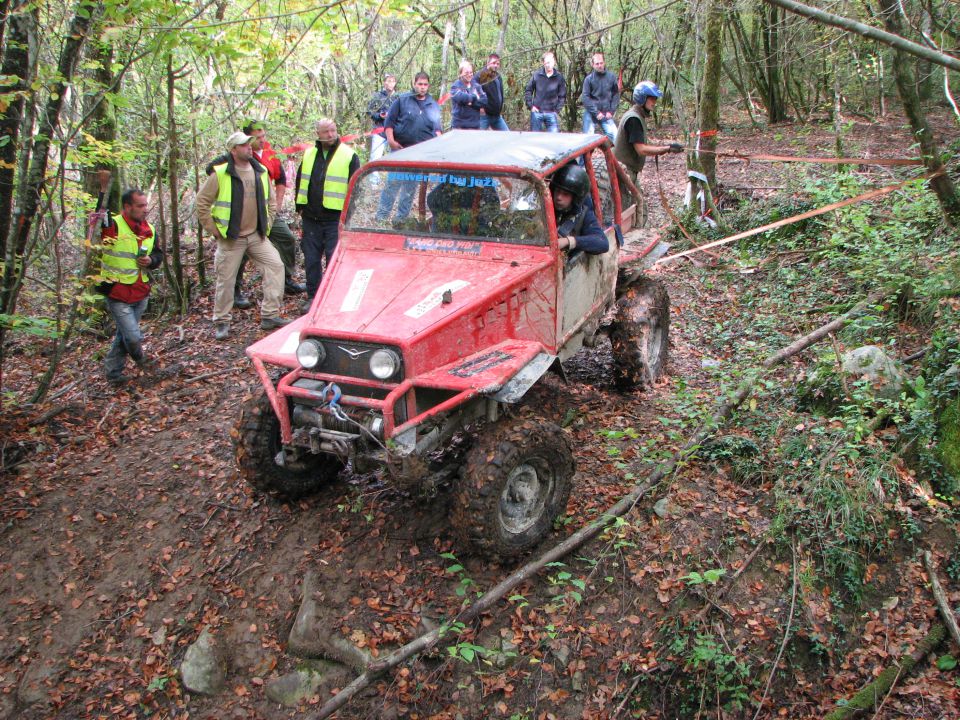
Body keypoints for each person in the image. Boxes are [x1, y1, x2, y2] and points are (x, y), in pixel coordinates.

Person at [197, 131, 289, 340]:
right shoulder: (220, 173)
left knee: (275, 266)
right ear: (233, 150)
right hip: (231, 238)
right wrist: (215, 230)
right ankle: (221, 321)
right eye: (244, 145)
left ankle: (270, 315)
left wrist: (267, 226)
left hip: (257, 235)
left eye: (250, 144)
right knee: (226, 279)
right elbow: (202, 203)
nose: (249, 147)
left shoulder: (261, 171)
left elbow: (271, 202)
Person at [225, 119, 306, 310]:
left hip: (267, 211)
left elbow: (281, 179)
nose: (262, 140)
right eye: (257, 137)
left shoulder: (270, 153)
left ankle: (286, 280)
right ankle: (235, 292)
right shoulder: (239, 157)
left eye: (263, 136)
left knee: (286, 238)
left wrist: (276, 204)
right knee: (241, 252)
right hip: (245, 213)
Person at [95, 186, 164, 385]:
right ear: (127, 207)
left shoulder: (149, 229)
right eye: (140, 206)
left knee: (123, 335)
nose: (145, 209)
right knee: (132, 337)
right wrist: (102, 194)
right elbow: (100, 219)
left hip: (140, 292)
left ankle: (114, 374)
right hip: (117, 292)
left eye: (146, 205)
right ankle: (142, 360)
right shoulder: (113, 226)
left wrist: (151, 260)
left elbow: (158, 254)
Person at [295, 118, 360, 306]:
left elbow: (355, 188)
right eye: (326, 131)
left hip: (335, 218)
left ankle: (333, 297)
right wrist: (299, 207)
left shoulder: (348, 155)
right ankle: (313, 297)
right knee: (311, 259)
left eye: (333, 130)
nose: (330, 135)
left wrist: (349, 217)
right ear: (318, 133)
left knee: (334, 259)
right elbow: (301, 181)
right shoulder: (308, 155)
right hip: (311, 217)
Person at [376, 72, 442, 223]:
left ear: (428, 86)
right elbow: (389, 123)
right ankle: (382, 217)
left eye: (425, 84)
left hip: (420, 154)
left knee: (410, 187)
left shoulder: (433, 104)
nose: (422, 87)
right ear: (414, 84)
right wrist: (391, 141)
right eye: (420, 84)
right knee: (392, 184)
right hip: (400, 150)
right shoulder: (402, 100)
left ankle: (401, 220)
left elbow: (437, 130)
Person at [613, 81, 684, 185]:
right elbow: (641, 150)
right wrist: (668, 148)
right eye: (651, 98)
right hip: (622, 172)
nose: (654, 102)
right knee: (631, 200)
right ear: (642, 98)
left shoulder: (637, 115)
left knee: (639, 199)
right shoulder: (634, 119)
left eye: (655, 99)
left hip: (625, 170)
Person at [549, 164, 608, 255]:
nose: (558, 197)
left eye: (565, 194)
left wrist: (568, 241)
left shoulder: (583, 215)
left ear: (575, 198)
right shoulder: (545, 208)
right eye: (557, 191)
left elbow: (602, 243)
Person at [580, 52, 620, 143]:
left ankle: (616, 157)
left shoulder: (611, 77)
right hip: (591, 113)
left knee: (616, 138)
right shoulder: (589, 79)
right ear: (593, 65)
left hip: (606, 113)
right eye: (597, 64)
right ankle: (584, 158)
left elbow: (616, 95)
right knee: (586, 141)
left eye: (601, 63)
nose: (599, 65)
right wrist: (596, 112)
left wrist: (611, 111)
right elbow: (585, 98)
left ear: (604, 63)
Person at [524, 51, 566, 133]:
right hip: (537, 113)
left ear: (554, 62)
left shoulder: (559, 77)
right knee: (534, 139)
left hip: (552, 113)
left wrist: (557, 110)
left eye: (550, 62)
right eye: (546, 62)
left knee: (553, 140)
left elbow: (562, 96)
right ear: (543, 63)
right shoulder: (537, 75)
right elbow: (528, 90)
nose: (548, 64)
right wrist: (530, 106)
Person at [366, 73, 397, 162]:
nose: (391, 83)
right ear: (384, 83)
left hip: (394, 132)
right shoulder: (377, 96)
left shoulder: (398, 97)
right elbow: (370, 111)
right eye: (389, 81)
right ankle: (373, 176)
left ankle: (393, 176)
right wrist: (379, 116)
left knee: (395, 158)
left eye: (393, 81)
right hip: (379, 131)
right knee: (375, 158)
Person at [450, 60, 488, 130]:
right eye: (466, 73)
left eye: (471, 72)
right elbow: (460, 98)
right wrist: (474, 97)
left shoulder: (477, 86)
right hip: (459, 127)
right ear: (460, 74)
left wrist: (471, 102)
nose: (469, 75)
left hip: (475, 126)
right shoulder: (455, 86)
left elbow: (484, 101)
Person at [478, 53, 508, 130]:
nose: (496, 65)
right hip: (485, 116)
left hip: (497, 116)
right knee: (478, 138)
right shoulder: (481, 75)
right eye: (494, 63)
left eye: (498, 64)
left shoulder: (498, 76)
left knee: (508, 135)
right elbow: (472, 89)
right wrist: (480, 107)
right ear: (488, 63)